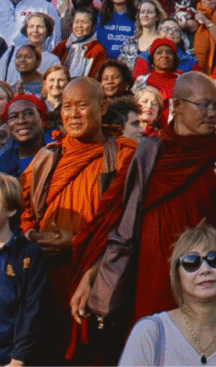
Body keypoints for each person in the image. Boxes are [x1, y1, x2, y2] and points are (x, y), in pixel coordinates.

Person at [70, 73, 216, 356]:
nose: (211, 114)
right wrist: (92, 274)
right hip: (150, 283)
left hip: (204, 283)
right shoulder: (149, 154)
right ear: (176, 105)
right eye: (203, 105)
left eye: (215, 106)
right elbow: (114, 219)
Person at [19, 78, 137, 358]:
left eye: (82, 106)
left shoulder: (123, 156)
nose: (73, 114)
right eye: (67, 107)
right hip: (44, 282)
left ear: (103, 106)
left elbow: (128, 223)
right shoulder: (48, 157)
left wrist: (76, 243)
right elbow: (22, 208)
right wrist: (31, 234)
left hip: (95, 279)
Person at [118, 224, 216, 366]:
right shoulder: (150, 334)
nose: (205, 269)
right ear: (177, 276)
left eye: (215, 259)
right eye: (191, 261)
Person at [0, 172, 51, 365]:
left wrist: (18, 357)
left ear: (11, 210)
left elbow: (33, 307)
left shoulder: (28, 253)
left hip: (11, 357)